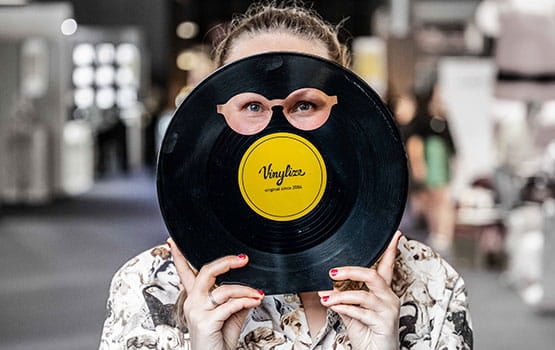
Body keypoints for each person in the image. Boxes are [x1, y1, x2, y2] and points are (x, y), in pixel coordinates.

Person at [99, 3, 473, 350]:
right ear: (219, 114)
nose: (278, 130)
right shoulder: (149, 288)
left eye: (305, 104)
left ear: (343, 108)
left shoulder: (429, 284)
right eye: (251, 105)